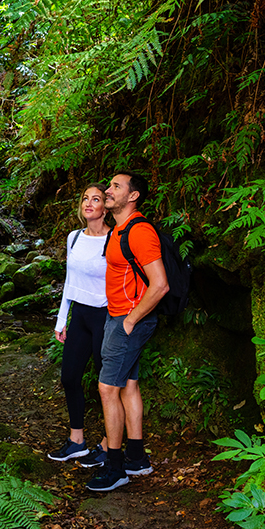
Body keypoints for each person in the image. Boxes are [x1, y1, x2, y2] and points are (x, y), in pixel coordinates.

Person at [86, 171, 168, 492]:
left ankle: (115, 466)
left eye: (116, 187)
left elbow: (160, 284)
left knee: (107, 389)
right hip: (118, 316)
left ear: (132, 196)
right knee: (128, 385)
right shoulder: (118, 230)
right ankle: (136, 458)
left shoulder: (139, 231)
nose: (108, 190)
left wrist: (131, 320)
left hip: (129, 320)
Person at [46, 183, 111, 462]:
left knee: (106, 384)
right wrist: (62, 320)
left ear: (105, 206)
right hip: (80, 316)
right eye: (85, 198)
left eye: (96, 199)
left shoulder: (115, 238)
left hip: (106, 316)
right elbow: (70, 282)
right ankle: (77, 440)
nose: (89, 203)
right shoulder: (74, 238)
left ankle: (110, 444)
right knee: (70, 376)